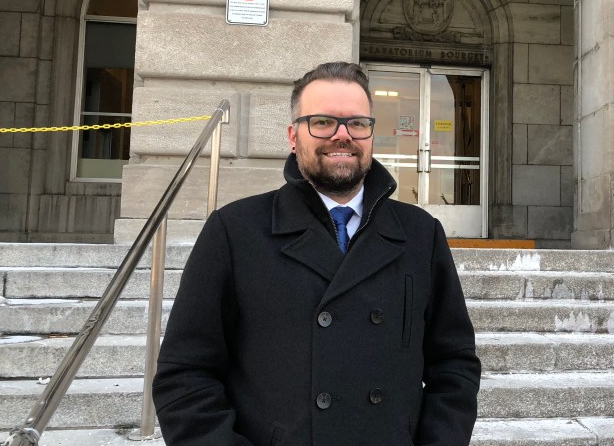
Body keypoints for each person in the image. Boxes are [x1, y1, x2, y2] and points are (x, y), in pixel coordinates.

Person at [152, 62, 481, 445]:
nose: (343, 136)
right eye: (323, 122)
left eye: (357, 123)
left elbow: (454, 364)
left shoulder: (421, 234)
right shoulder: (234, 231)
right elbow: (185, 375)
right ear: (293, 136)